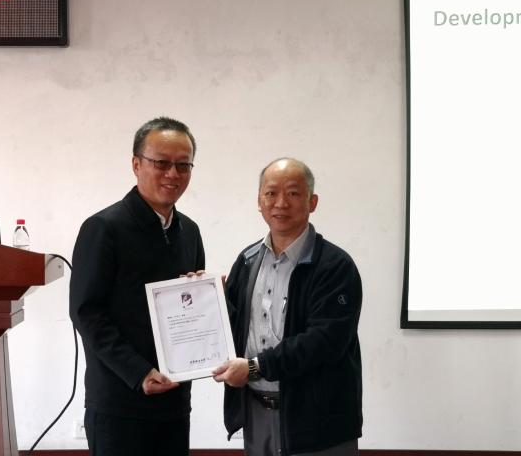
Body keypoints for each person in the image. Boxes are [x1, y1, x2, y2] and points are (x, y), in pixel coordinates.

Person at [69, 117, 205, 456]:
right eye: (161, 163)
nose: (173, 174)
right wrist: (138, 372)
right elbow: (87, 313)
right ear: (136, 164)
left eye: (183, 165)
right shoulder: (104, 228)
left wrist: (209, 298)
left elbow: (193, 308)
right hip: (120, 401)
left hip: (174, 400)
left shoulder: (189, 231)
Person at [213, 157, 362, 456]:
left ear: (312, 202)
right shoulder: (247, 260)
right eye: (271, 193)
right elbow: (233, 328)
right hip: (256, 416)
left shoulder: (335, 266)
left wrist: (254, 368)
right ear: (259, 202)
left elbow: (323, 342)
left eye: (293, 193)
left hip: (317, 424)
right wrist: (203, 296)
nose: (281, 203)